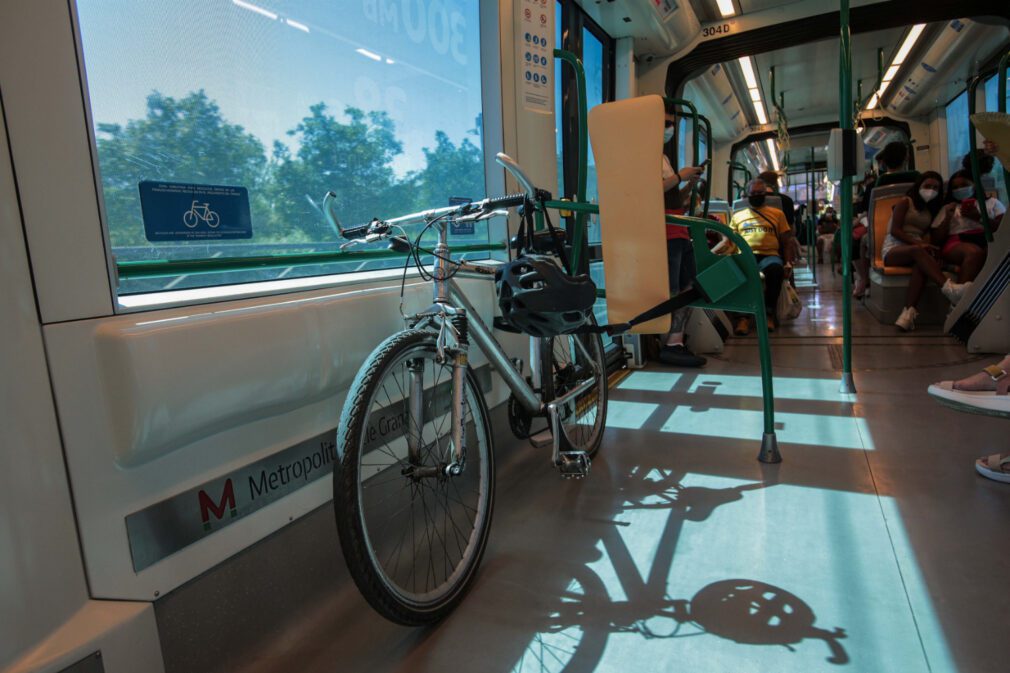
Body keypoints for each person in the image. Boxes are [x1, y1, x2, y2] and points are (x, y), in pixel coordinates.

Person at [881, 172, 968, 331]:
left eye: (935, 187)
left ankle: (907, 315)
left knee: (920, 265)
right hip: (894, 248)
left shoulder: (930, 210)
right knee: (918, 252)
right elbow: (895, 230)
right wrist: (919, 244)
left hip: (916, 249)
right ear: (918, 186)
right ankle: (949, 289)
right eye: (927, 186)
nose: (931, 190)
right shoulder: (905, 202)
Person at [659, 102, 707, 367]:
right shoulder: (643, 155)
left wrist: (688, 184)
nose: (670, 129)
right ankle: (669, 343)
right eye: (665, 124)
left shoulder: (662, 157)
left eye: (672, 124)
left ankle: (675, 340)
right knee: (673, 289)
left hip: (678, 228)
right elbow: (648, 192)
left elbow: (671, 195)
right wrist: (680, 175)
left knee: (690, 283)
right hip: (665, 231)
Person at [728, 178, 795, 334]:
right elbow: (729, 240)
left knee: (775, 271)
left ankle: (768, 315)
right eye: (753, 193)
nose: (757, 196)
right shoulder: (738, 216)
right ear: (747, 195)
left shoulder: (777, 214)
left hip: (769, 255)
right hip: (745, 256)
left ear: (765, 195)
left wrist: (788, 262)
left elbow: (786, 241)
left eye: (760, 193)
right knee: (737, 273)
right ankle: (743, 318)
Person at [931, 170, 1005, 286]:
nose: (959, 189)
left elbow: (1003, 229)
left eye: (964, 185)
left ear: (974, 185)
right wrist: (947, 218)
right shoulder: (948, 207)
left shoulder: (993, 203)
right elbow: (936, 239)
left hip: (986, 238)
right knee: (974, 253)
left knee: (992, 253)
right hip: (957, 241)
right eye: (955, 187)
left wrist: (979, 218)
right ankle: (959, 297)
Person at [860, 141, 918, 214]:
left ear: (884, 161)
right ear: (906, 159)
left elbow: (866, 213)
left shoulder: (872, 187)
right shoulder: (916, 181)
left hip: (881, 224)